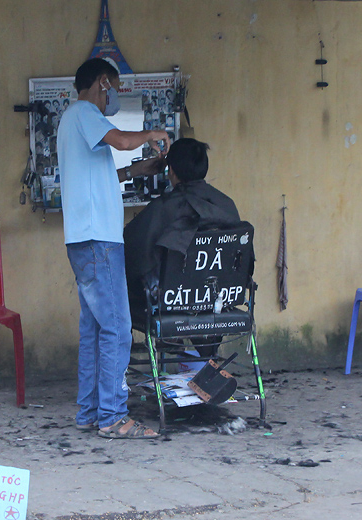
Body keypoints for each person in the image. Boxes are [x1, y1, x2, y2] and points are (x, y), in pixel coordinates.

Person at [57, 58, 169, 440]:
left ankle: (90, 412)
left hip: (83, 240)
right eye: (115, 89)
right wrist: (151, 132)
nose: (114, 98)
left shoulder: (72, 123)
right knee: (119, 329)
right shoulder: (85, 111)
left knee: (94, 330)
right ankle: (113, 416)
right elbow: (122, 141)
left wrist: (139, 171)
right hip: (99, 241)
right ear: (103, 82)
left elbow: (107, 172)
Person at [123, 138, 242, 357]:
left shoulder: (163, 209)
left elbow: (131, 251)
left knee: (122, 286)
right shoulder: (226, 205)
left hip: (170, 304)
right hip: (216, 300)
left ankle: (169, 342)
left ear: (172, 172)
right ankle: (204, 358)